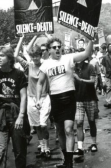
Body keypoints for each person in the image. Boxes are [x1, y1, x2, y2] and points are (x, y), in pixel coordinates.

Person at [36, 37, 93, 168]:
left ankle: (69, 163)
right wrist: (39, 99)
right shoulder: (45, 64)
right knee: (60, 131)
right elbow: (40, 83)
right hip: (55, 99)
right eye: (54, 47)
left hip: (69, 97)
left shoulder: (68, 58)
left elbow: (86, 54)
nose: (57, 49)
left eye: (59, 46)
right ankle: (65, 159)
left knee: (68, 129)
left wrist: (90, 40)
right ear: (49, 50)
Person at [14, 36, 51, 158]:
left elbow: (52, 50)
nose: (35, 58)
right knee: (36, 125)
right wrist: (22, 38)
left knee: (43, 124)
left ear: (41, 55)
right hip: (31, 98)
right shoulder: (28, 66)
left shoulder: (46, 64)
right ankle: (43, 148)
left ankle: (47, 147)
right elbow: (16, 55)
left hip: (44, 97)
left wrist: (47, 36)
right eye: (33, 56)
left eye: (37, 55)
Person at [73, 53, 99, 159]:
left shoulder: (90, 67)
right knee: (79, 123)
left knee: (91, 121)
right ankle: (80, 147)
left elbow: (92, 81)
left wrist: (80, 80)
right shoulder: (72, 69)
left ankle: (93, 143)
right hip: (78, 99)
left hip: (90, 98)